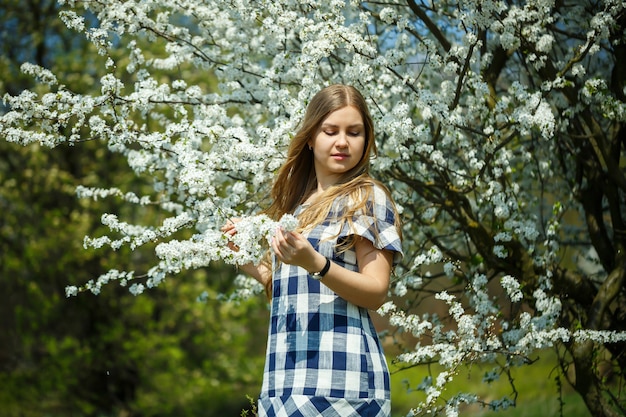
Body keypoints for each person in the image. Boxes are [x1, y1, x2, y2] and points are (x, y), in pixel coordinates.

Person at [222, 84, 403, 417]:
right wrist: (246, 260)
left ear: (366, 140)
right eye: (330, 131)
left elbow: (376, 291)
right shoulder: (296, 209)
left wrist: (316, 263)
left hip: (342, 383)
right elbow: (296, 290)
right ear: (310, 137)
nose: (342, 142)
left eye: (354, 132)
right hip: (285, 381)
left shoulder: (366, 197)